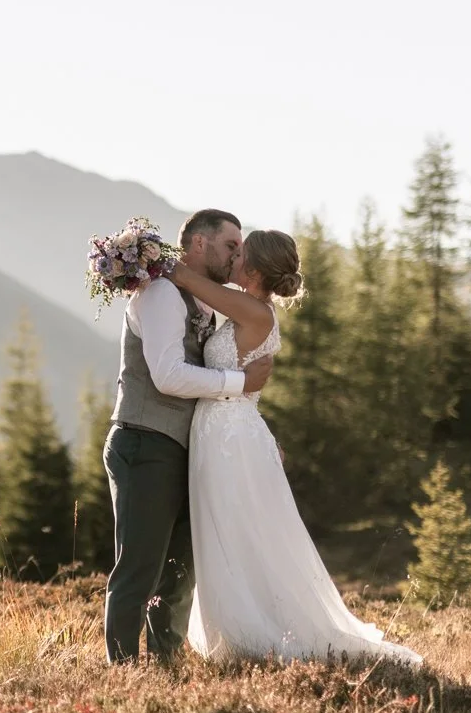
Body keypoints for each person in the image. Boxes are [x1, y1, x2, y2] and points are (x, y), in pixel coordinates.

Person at [168, 229, 422, 666]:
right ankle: (238, 631)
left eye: (238, 252)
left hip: (230, 439)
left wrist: (141, 255)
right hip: (228, 432)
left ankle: (253, 634)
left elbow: (189, 281)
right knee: (229, 530)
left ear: (254, 268)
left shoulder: (255, 311)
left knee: (237, 531)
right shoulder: (249, 308)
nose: (232, 259)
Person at [102, 208, 271, 662]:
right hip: (145, 440)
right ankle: (121, 668)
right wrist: (241, 385)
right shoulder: (160, 294)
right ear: (199, 243)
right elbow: (168, 377)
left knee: (179, 572)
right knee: (140, 567)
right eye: (231, 245)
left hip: (186, 450)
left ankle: (166, 664)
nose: (238, 254)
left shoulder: (202, 297)